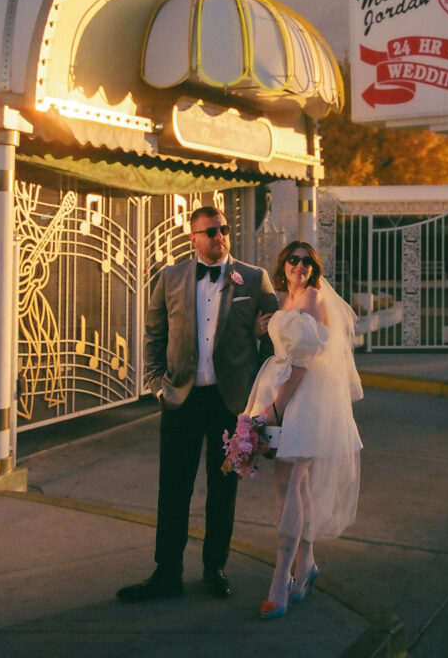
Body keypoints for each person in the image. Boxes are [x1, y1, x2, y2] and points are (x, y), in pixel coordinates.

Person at [116, 205, 277, 602]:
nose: (219, 236)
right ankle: (167, 572)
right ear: (193, 238)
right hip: (181, 400)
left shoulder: (254, 279)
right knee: (173, 489)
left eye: (223, 229)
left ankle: (214, 568)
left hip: (230, 404)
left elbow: (277, 339)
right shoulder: (171, 277)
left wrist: (256, 390)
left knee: (222, 490)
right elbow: (153, 332)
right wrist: (156, 384)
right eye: (210, 231)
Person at [245, 240, 363, 619]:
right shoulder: (286, 299)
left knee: (290, 482)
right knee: (296, 484)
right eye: (294, 260)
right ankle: (307, 564)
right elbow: (286, 345)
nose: (301, 267)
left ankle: (280, 581)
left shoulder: (311, 298)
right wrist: (264, 329)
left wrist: (274, 410)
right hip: (281, 388)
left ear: (314, 269)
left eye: (308, 262)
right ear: (284, 265)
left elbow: (300, 364)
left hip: (299, 396)